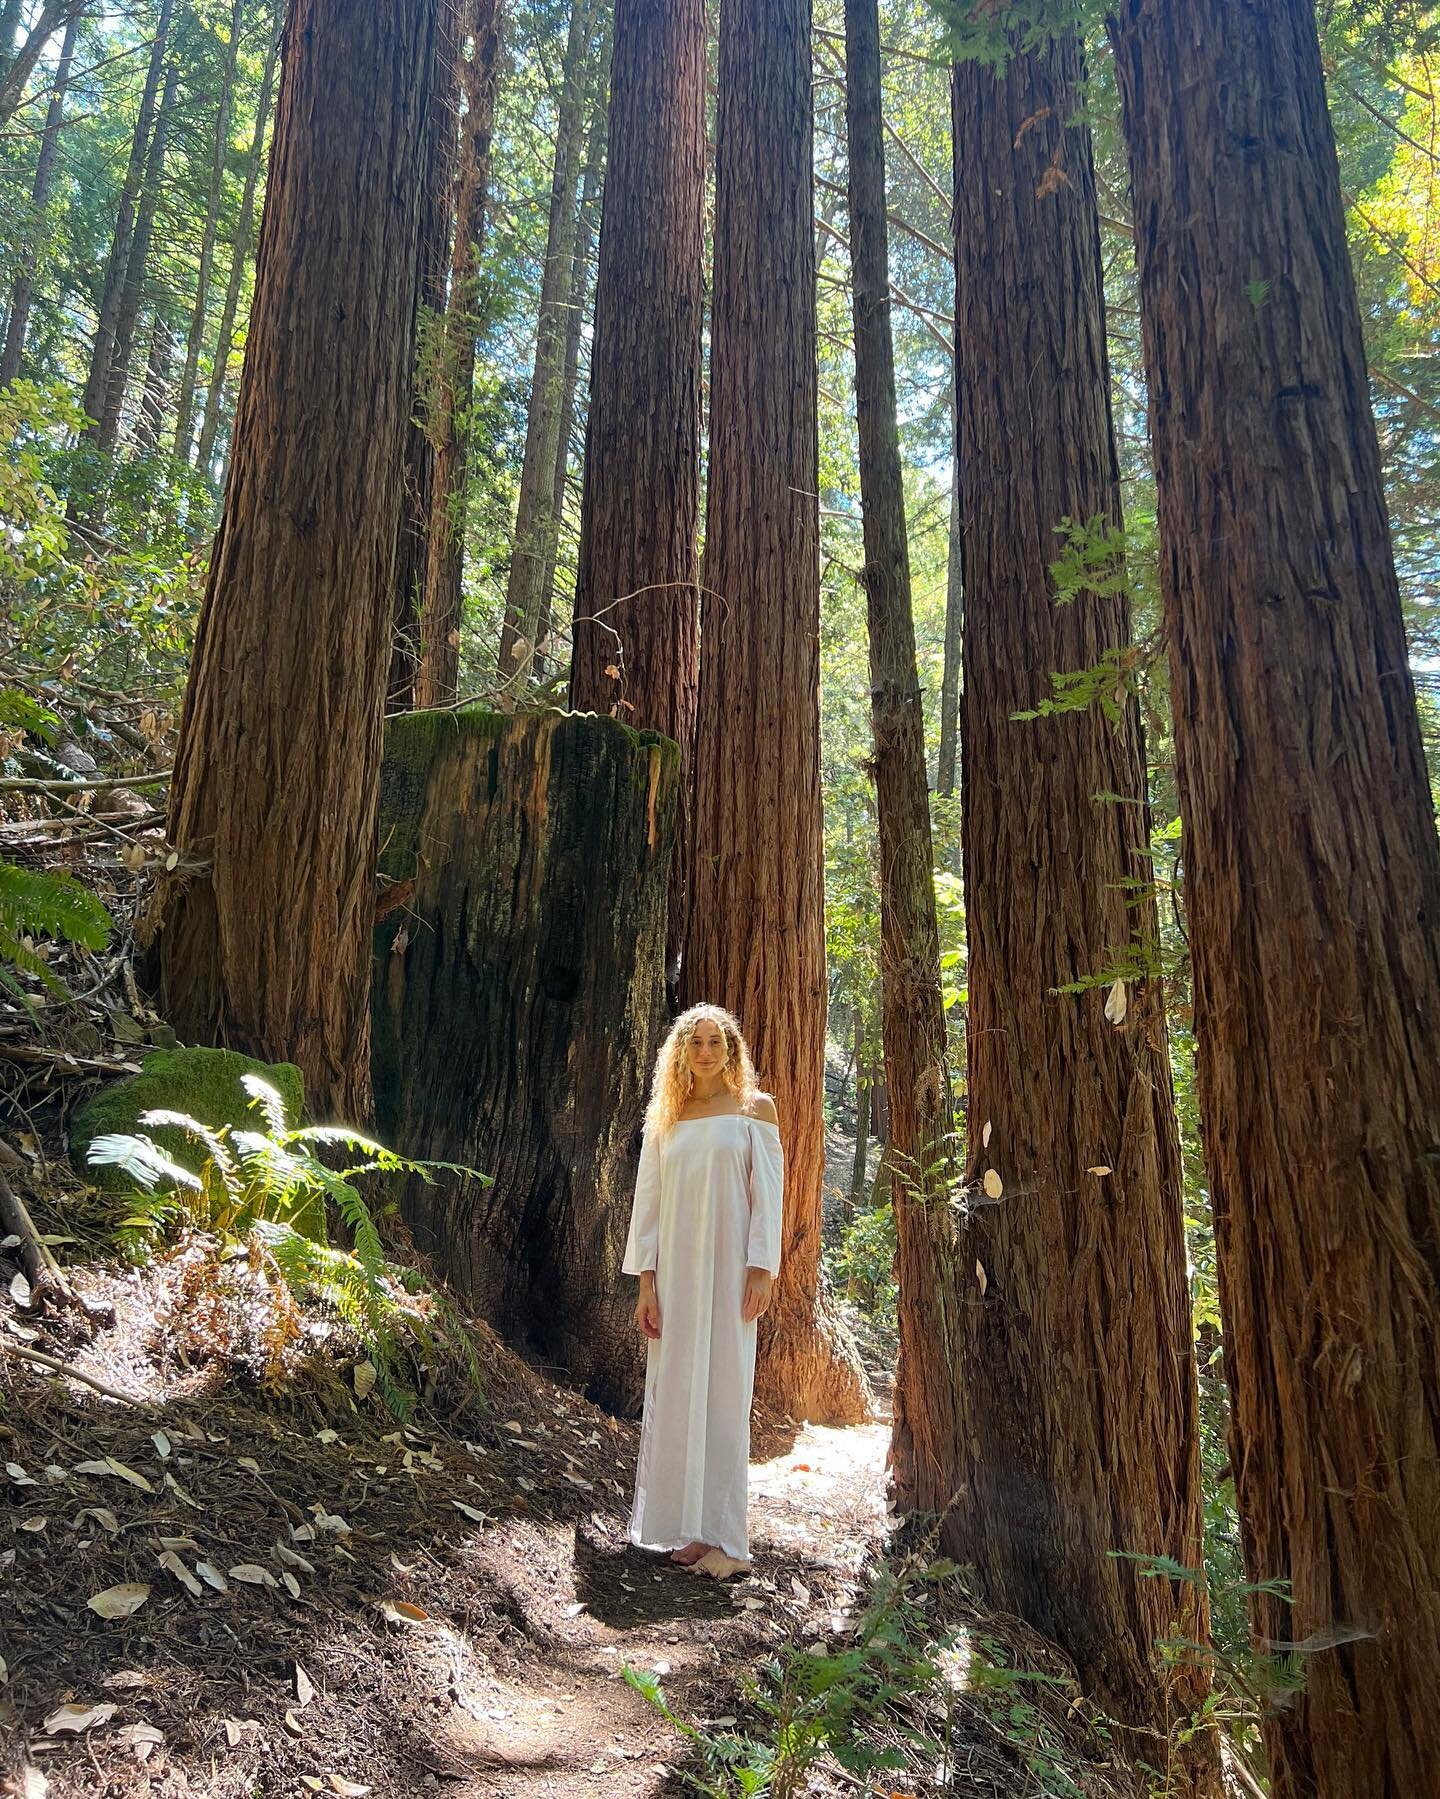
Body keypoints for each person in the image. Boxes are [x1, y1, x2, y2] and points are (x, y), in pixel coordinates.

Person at [622, 1002, 784, 1574]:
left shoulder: (754, 1110)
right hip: (676, 1277)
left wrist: (762, 1268)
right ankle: (685, 1527)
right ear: (682, 1052)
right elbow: (650, 1203)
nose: (707, 1052)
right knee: (679, 1391)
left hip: (731, 1274)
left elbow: (769, 1196)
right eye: (696, 1043)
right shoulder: (667, 1117)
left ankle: (726, 1540)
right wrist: (646, 1282)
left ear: (731, 1049)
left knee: (725, 1392)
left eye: (716, 1042)